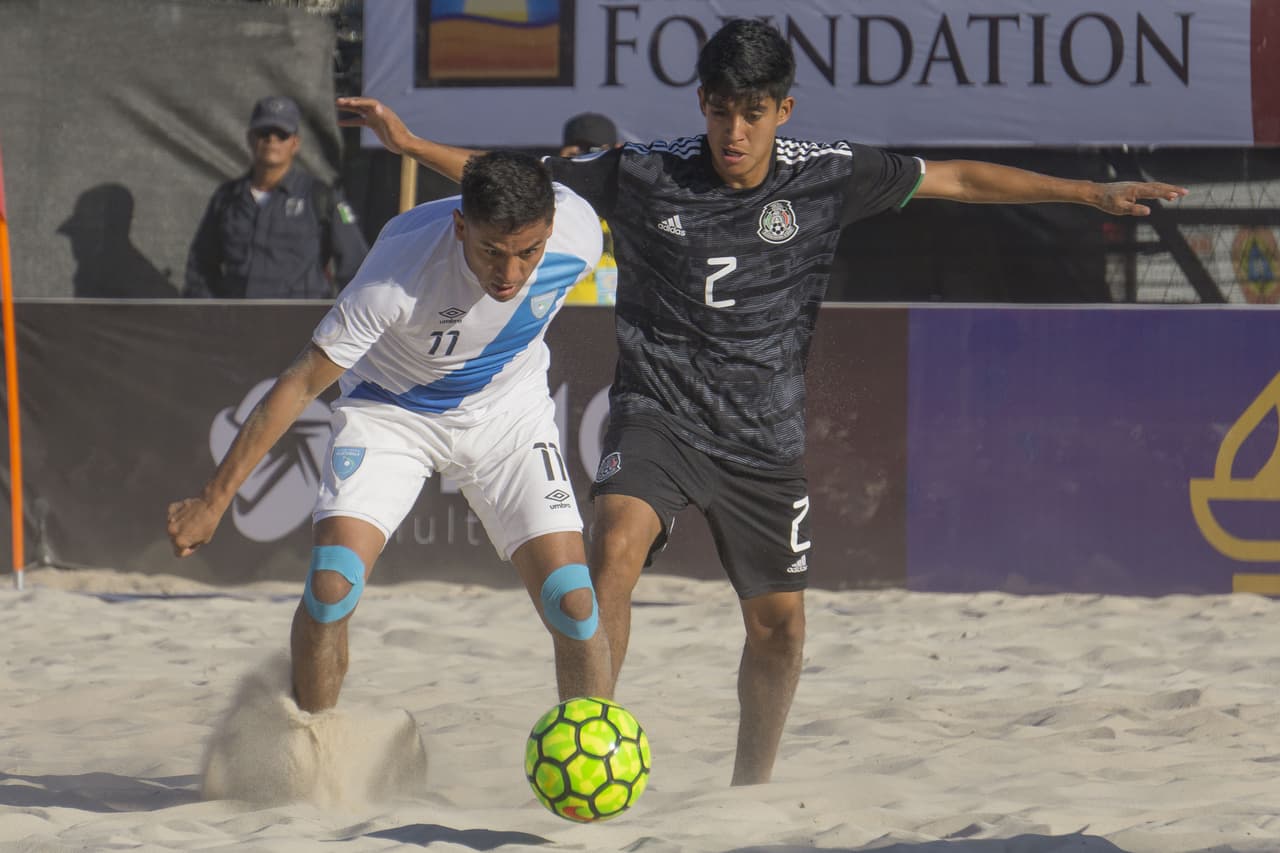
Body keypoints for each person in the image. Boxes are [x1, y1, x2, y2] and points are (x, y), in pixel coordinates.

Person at [335, 18, 1188, 786]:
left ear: (783, 110)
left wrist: (1088, 195)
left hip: (761, 438)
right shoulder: (644, 172)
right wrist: (411, 142)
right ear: (701, 103)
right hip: (658, 411)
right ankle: (588, 742)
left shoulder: (828, 176)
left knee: (779, 627)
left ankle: (752, 790)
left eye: (752, 112)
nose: (733, 132)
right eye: (719, 111)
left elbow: (960, 178)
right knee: (612, 553)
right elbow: (513, 185)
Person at [167, 150, 612, 711]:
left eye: (529, 252)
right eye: (491, 253)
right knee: (332, 586)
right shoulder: (395, 275)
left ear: (550, 228)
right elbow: (301, 384)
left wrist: (411, 139)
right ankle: (313, 746)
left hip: (508, 413)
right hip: (391, 413)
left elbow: (496, 171)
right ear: (459, 226)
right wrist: (214, 500)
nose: (511, 274)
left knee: (574, 604)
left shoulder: (576, 230)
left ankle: (592, 761)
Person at [184, 95, 369, 299]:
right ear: (250, 138)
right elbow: (200, 266)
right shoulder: (228, 198)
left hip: (300, 325)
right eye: (264, 132)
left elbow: (354, 265)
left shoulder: (321, 196)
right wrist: (209, 316)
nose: (272, 140)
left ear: (295, 143)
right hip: (236, 324)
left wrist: (343, 322)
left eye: (281, 134)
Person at [558, 112, 620, 306]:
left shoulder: (632, 198)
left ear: (616, 151)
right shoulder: (555, 200)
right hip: (563, 316)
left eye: (592, 150)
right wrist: (564, 170)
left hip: (617, 318)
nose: (584, 158)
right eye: (576, 150)